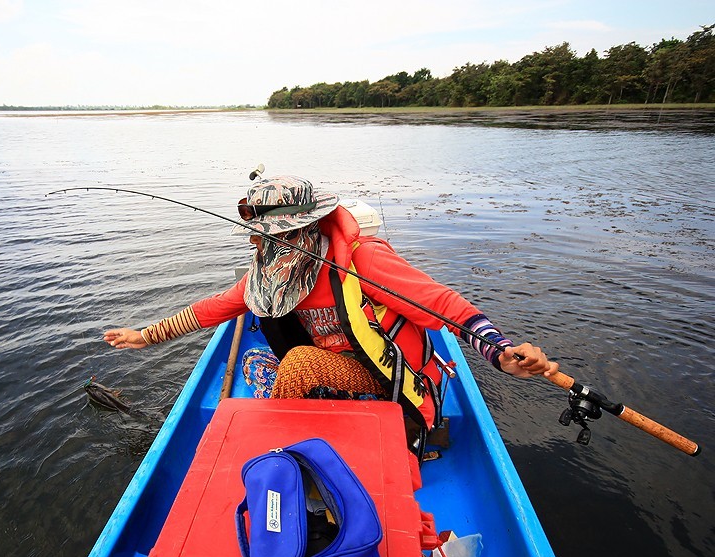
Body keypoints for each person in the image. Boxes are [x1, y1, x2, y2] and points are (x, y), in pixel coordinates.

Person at [104, 175, 557, 451]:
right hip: (338, 361)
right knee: (262, 342)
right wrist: (145, 336)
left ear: (309, 228)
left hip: (386, 370)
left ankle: (283, 451)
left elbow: (445, 306)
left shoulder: (366, 260)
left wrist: (501, 352)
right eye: (257, 235)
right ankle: (320, 413)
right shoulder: (269, 276)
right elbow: (213, 309)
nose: (258, 243)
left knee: (297, 365)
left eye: (272, 234)